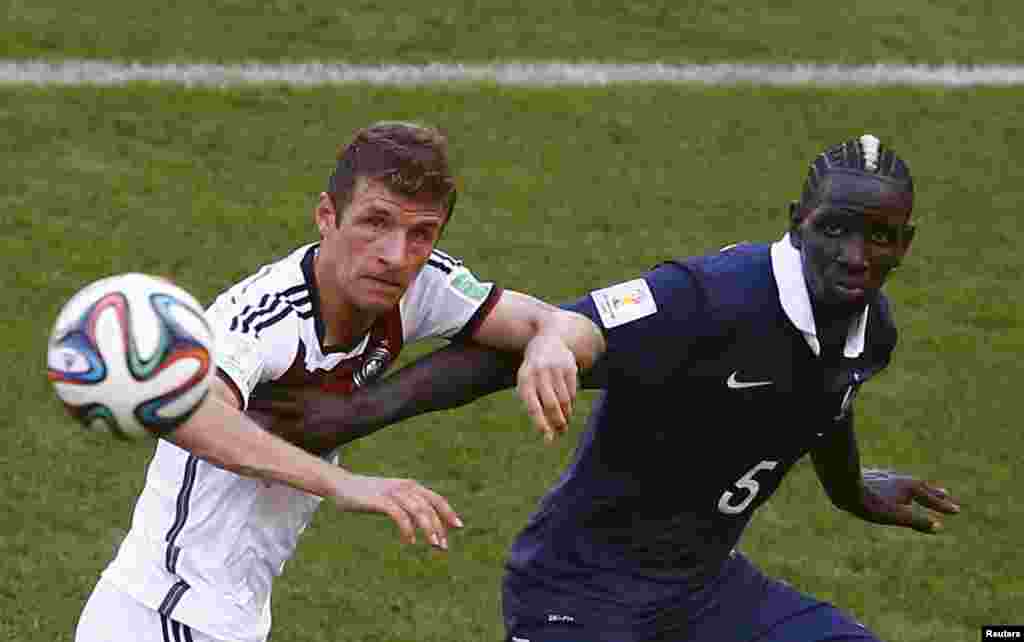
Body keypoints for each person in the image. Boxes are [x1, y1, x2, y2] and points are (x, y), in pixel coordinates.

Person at [251, 134, 962, 642]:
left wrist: (852, 490)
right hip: (580, 596)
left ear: (906, 243)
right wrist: (354, 413)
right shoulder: (706, 299)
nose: (856, 254)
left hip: (705, 591)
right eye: (836, 229)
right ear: (797, 223)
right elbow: (547, 339)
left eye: (881, 236)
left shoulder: (871, 330)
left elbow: (823, 399)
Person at [73, 121, 604, 642]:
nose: (396, 256)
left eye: (422, 233)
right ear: (327, 216)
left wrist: (548, 341)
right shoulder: (262, 316)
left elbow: (580, 329)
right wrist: (343, 485)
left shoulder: (419, 285)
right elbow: (185, 410)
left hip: (227, 614)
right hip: (167, 612)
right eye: (375, 222)